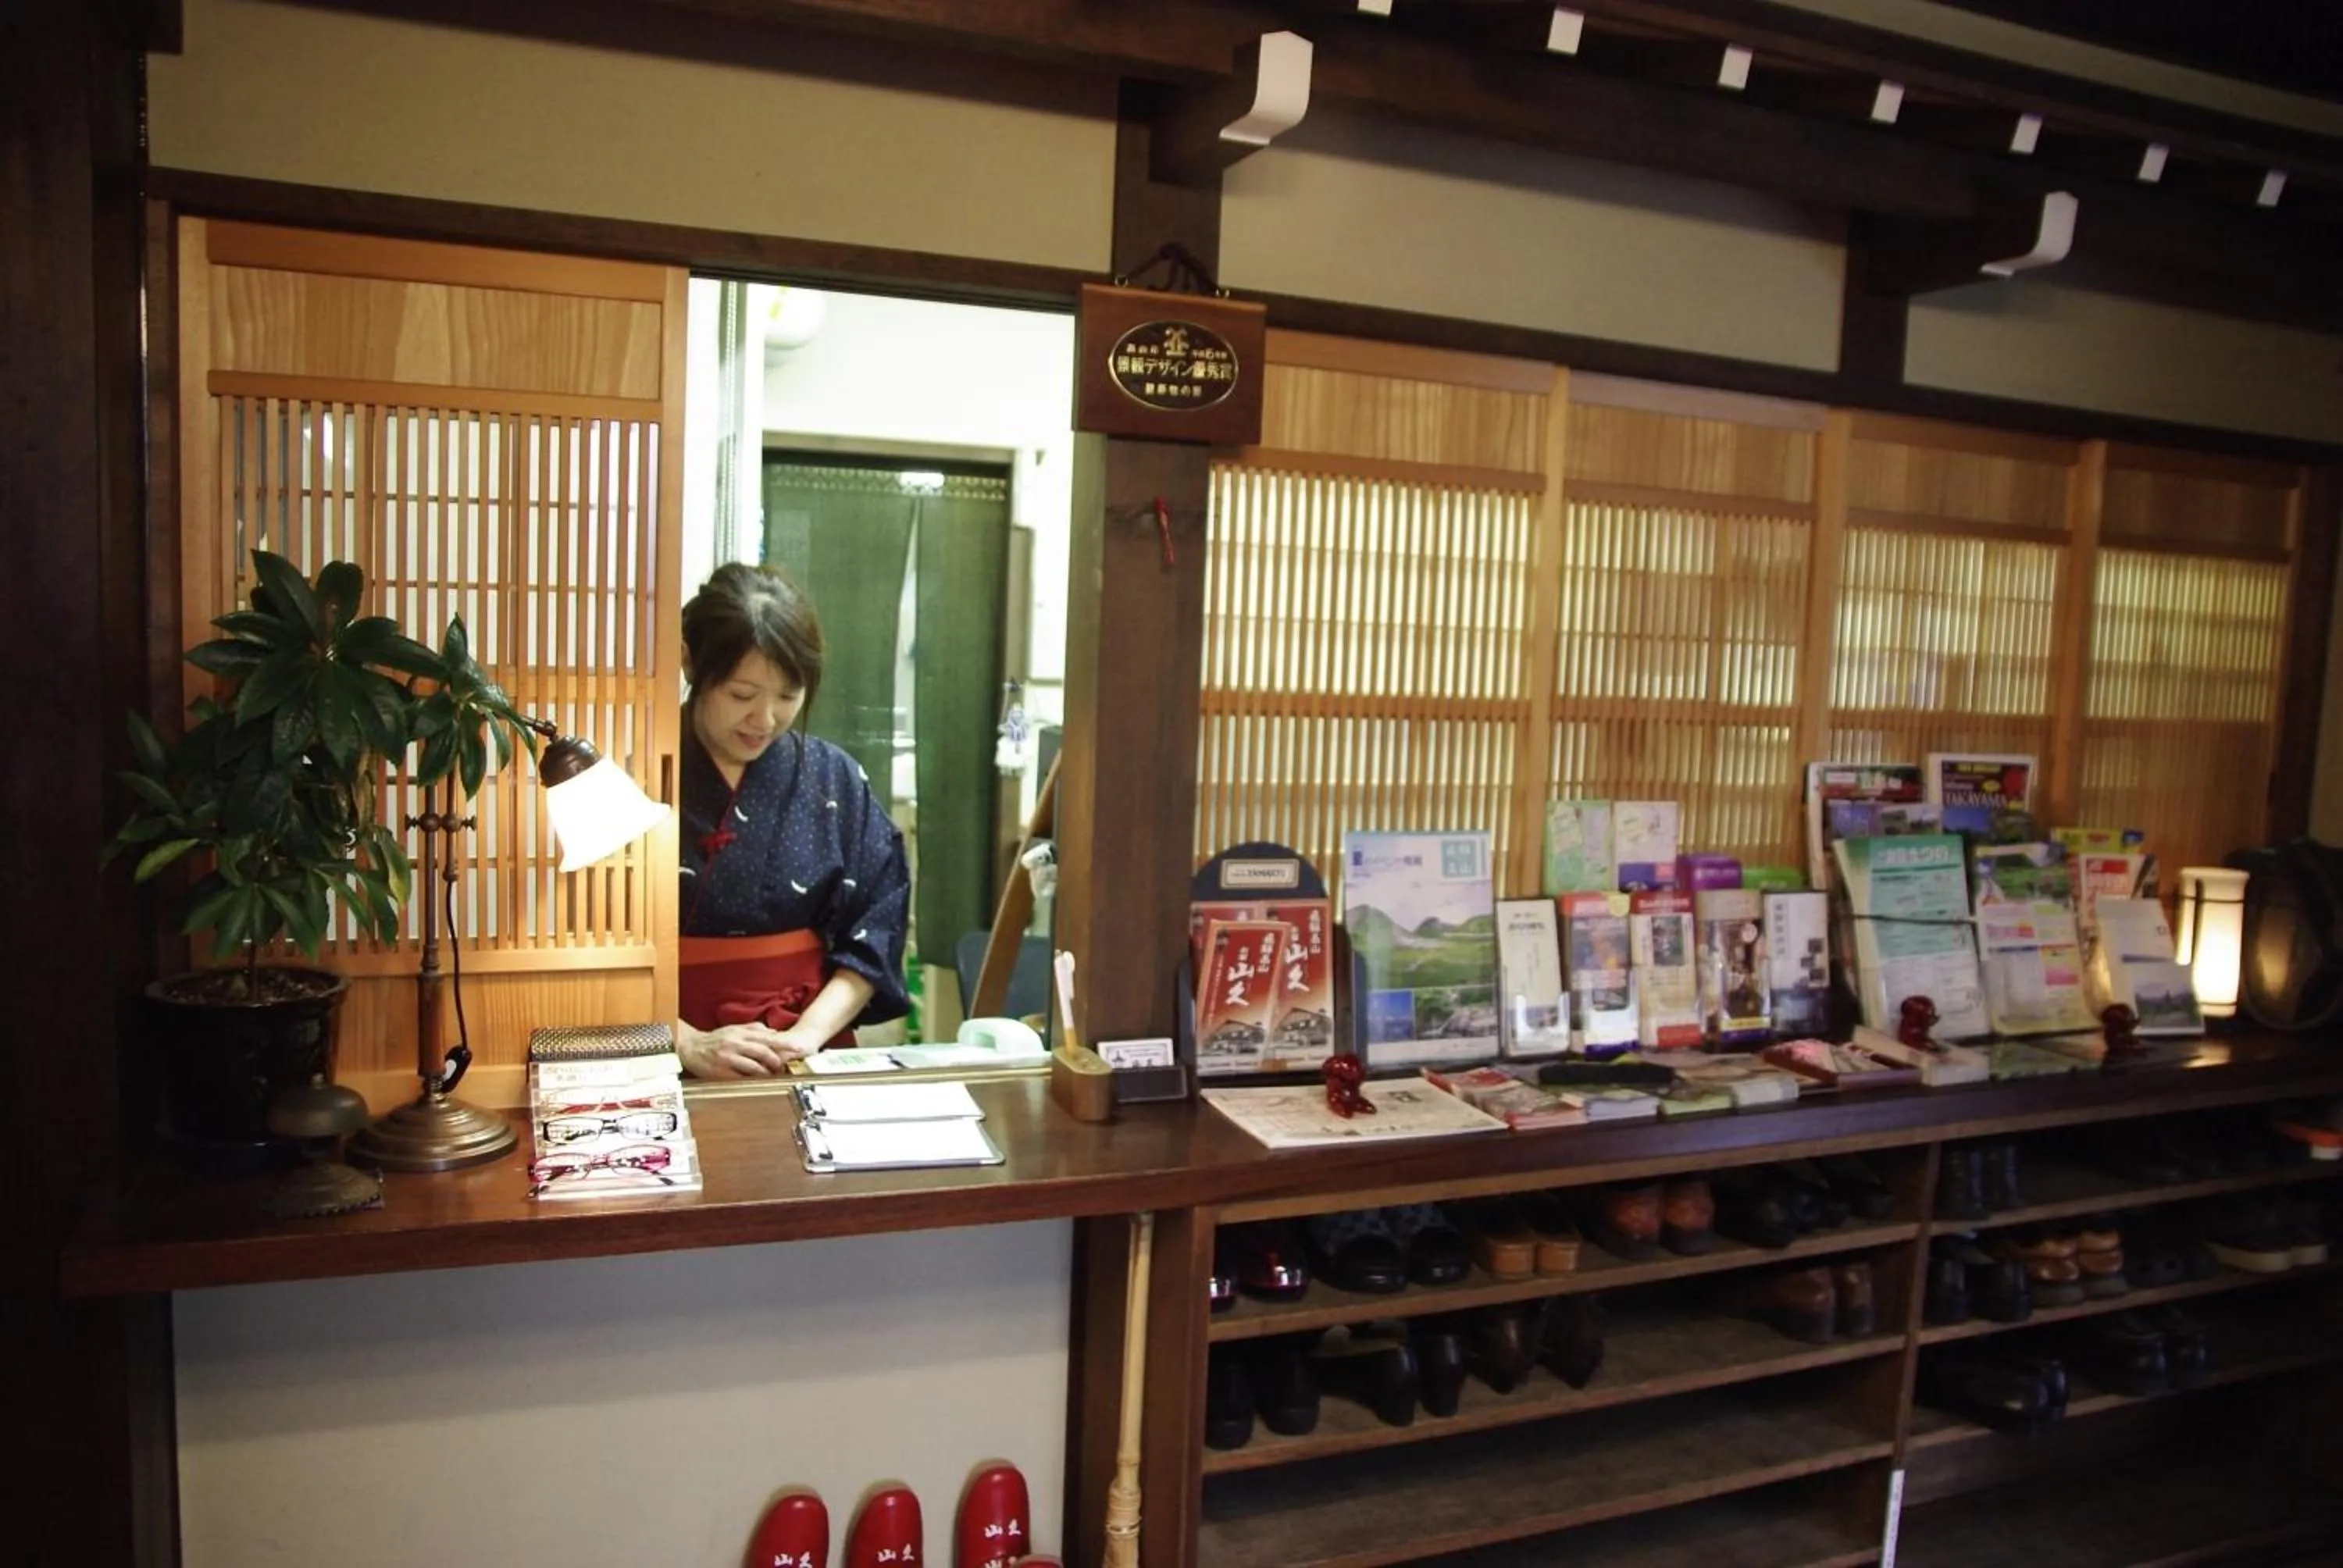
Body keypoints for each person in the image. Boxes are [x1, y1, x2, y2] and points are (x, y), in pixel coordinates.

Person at [674, 562, 911, 1078]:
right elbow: (586, 946)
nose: (764, 720)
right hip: (664, 1050)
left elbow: (877, 923)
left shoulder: (833, 777)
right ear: (691, 664)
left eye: (787, 696)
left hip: (807, 1050)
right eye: (741, 695)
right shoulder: (633, 769)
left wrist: (805, 1038)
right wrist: (684, 1043)